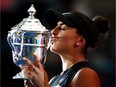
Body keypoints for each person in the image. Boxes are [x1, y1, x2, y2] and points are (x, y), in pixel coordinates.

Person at [20, 9, 110, 87]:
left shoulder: (86, 74)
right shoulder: (53, 80)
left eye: (62, 28)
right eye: (55, 27)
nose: (53, 31)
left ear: (80, 41)